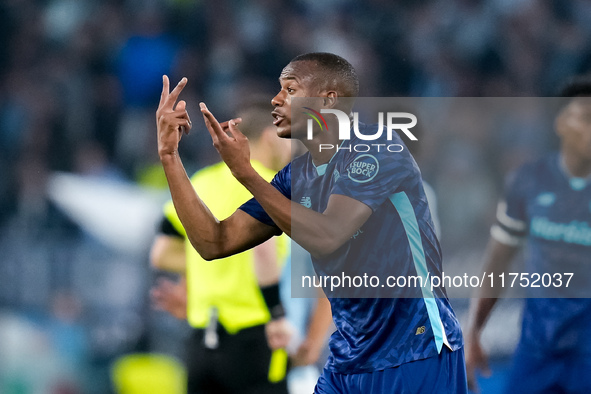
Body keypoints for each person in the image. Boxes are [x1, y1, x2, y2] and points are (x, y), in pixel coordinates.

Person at [155, 52, 466, 393]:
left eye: (290, 89)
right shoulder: (295, 177)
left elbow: (328, 235)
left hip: (415, 353)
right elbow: (214, 242)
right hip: (347, 362)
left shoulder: (377, 149)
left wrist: (245, 173)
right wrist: (170, 157)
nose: (276, 99)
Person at [151, 100, 293, 394]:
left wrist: (205, 264)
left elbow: (162, 253)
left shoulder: (200, 182)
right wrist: (278, 314)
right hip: (255, 336)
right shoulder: (272, 186)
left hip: (202, 338)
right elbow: (262, 251)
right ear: (270, 136)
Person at [466, 77, 591, 393]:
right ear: (561, 123)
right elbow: (497, 263)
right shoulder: (529, 181)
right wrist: (474, 331)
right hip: (537, 351)